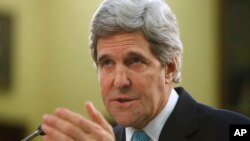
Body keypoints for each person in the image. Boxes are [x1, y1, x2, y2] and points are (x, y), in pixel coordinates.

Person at [41, 0, 250, 141]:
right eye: (107, 63)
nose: (119, 81)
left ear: (170, 66)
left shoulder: (234, 130)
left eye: (135, 61)